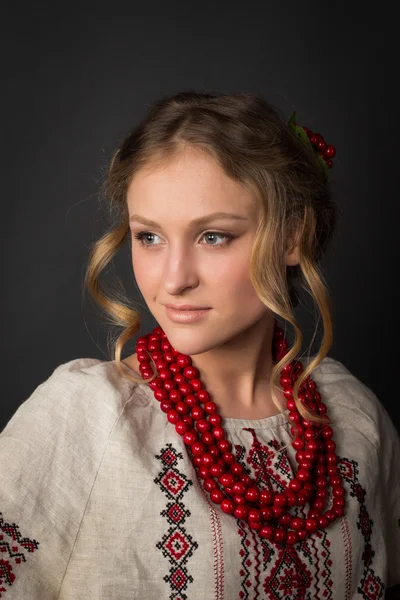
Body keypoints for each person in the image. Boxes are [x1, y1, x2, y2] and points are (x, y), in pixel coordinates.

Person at [1, 90, 399, 600]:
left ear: (292, 237)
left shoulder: (354, 415)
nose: (174, 279)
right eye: (149, 237)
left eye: (213, 236)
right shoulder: (87, 418)